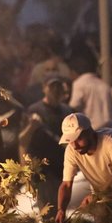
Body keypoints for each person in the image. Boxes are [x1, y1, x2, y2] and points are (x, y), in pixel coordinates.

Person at [19, 77, 73, 215]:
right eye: (52, 87)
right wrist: (32, 126)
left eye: (58, 87)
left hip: (62, 169)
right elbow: (22, 140)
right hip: (43, 172)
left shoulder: (67, 111)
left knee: (62, 211)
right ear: (44, 89)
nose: (55, 91)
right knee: (48, 212)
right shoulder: (34, 110)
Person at [68, 54, 112, 129]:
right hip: (109, 129)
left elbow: (74, 107)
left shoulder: (78, 84)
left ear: (74, 72)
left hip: (91, 130)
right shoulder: (105, 86)